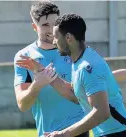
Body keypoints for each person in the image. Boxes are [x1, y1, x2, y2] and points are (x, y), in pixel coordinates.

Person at [17, 13, 126, 137]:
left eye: (56, 37)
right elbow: (75, 95)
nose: (54, 42)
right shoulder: (79, 61)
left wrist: (65, 133)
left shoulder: (88, 66)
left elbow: (101, 112)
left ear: (68, 38)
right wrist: (43, 71)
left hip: (122, 133)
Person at [14, 2, 89, 137]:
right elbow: (22, 105)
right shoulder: (24, 57)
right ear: (34, 27)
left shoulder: (74, 49)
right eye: (44, 25)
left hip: (77, 129)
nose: (51, 30)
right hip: (47, 133)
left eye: (54, 23)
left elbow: (85, 92)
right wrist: (37, 85)